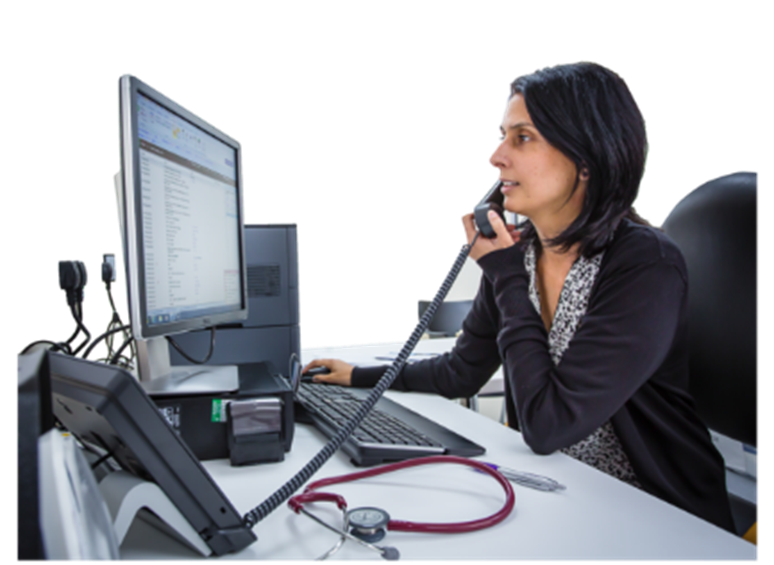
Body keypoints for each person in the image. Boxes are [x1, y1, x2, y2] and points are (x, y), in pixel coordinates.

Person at [302, 61, 736, 535]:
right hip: (569, 491)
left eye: (522, 138)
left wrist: (506, 274)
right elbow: (462, 370)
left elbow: (550, 424)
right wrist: (362, 375)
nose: (495, 157)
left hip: (656, 513)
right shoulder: (522, 252)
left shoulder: (643, 264)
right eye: (502, 135)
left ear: (585, 157)